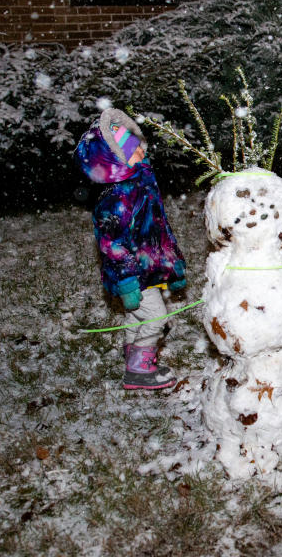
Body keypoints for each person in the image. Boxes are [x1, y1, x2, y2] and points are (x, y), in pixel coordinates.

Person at [75, 108, 187, 390]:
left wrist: (174, 267)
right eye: (131, 151)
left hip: (147, 269)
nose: (140, 153)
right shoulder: (117, 200)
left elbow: (157, 232)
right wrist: (126, 281)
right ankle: (138, 369)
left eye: (138, 147)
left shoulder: (142, 185)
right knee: (156, 317)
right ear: (114, 160)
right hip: (134, 274)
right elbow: (112, 245)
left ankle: (132, 355)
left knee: (136, 316)